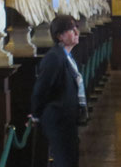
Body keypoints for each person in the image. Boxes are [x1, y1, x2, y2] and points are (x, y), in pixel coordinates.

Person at [31, 15, 86, 167]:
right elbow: (41, 89)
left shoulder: (66, 56)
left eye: (76, 27)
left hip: (67, 119)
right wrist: (36, 114)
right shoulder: (54, 57)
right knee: (64, 161)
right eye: (70, 29)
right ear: (59, 36)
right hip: (58, 120)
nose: (76, 32)